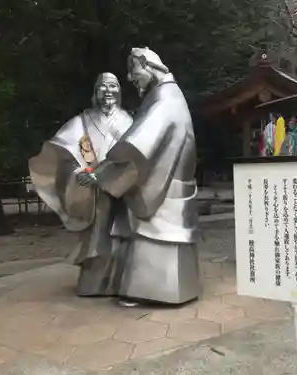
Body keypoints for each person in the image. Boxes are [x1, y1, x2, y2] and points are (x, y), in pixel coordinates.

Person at [84, 47, 200, 305]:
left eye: (133, 70)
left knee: (151, 237)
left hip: (163, 187)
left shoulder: (165, 100)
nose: (129, 77)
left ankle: (151, 291)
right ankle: (160, 289)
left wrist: (103, 174)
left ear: (148, 65)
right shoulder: (165, 95)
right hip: (168, 184)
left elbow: (137, 147)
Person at [29, 73, 133, 297]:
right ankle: (95, 280)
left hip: (122, 187)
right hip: (93, 192)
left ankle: (122, 280)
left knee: (123, 235)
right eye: (102, 87)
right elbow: (63, 151)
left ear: (120, 92)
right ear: (95, 92)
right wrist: (81, 171)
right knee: (98, 235)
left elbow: (135, 153)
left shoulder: (129, 122)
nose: (108, 91)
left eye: (113, 86)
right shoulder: (82, 122)